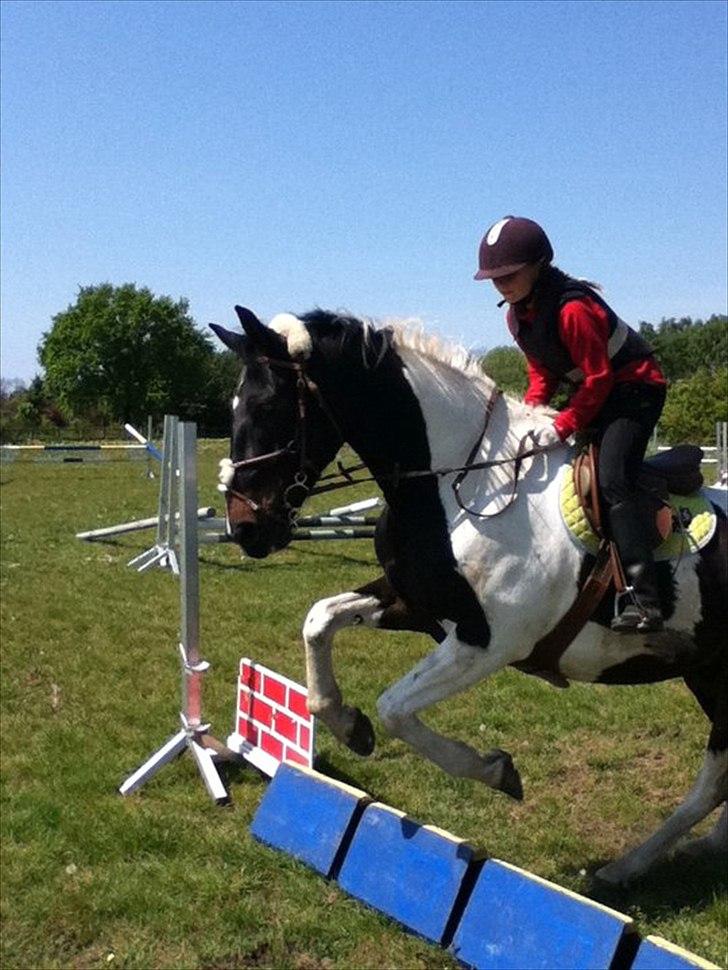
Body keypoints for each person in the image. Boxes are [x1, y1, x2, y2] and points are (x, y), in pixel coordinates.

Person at [474, 215, 667, 633]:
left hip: (635, 392)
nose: (501, 284)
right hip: (597, 395)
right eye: (494, 278)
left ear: (539, 265)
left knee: (612, 480)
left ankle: (644, 598)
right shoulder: (517, 316)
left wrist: (561, 425)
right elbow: (542, 371)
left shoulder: (573, 309)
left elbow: (599, 378)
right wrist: (531, 414)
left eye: (509, 274)